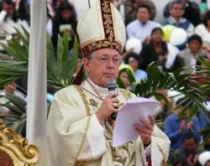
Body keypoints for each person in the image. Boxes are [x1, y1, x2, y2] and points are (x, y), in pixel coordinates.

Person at [41, 0, 170, 165]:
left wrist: (146, 141)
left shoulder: (130, 98)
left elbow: (158, 148)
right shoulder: (66, 98)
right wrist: (99, 116)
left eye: (115, 59)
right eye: (103, 59)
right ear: (86, 64)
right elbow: (60, 149)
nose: (110, 65)